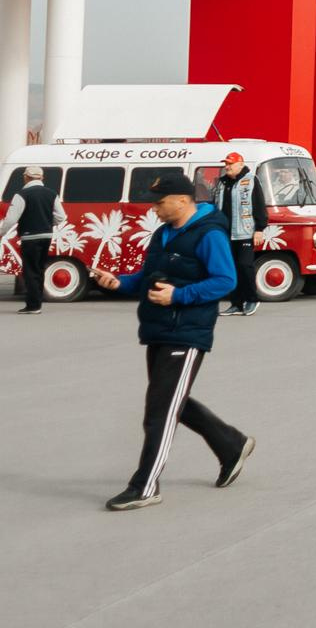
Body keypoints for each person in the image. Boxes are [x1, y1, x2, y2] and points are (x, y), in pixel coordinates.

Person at [87, 173, 255, 511]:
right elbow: (145, 278)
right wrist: (118, 283)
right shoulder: (163, 234)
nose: (156, 209)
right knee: (171, 399)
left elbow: (225, 280)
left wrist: (180, 295)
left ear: (182, 199)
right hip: (158, 329)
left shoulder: (209, 234)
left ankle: (145, 485)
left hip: (187, 332)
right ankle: (230, 444)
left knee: (160, 411)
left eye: (160, 203)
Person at [1, 165, 65, 312]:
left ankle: (33, 305)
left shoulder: (22, 195)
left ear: (26, 177)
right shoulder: (51, 193)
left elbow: (11, 219)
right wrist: (47, 223)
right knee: (39, 269)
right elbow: (62, 217)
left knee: (30, 270)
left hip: (30, 237)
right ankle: (38, 303)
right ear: (42, 178)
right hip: (47, 235)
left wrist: (1, 233)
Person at [211, 152, 269, 316]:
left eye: (230, 163)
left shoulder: (251, 180)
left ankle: (252, 299)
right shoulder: (222, 182)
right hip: (225, 233)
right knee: (231, 268)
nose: (227, 167)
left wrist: (259, 229)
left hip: (244, 232)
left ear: (240, 164)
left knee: (245, 265)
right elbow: (215, 205)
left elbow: (259, 204)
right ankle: (236, 303)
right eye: (226, 164)